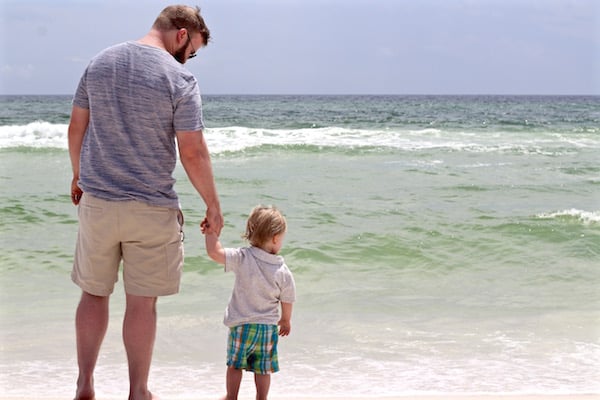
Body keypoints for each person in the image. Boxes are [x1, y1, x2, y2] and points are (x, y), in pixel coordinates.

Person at [67, 5, 223, 400]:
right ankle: (138, 391)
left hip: (99, 201)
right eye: (193, 50)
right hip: (151, 207)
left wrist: (77, 176)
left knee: (92, 294)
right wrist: (213, 206)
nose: (190, 59)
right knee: (141, 303)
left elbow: (76, 127)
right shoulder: (180, 77)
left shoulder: (99, 63)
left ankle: (85, 385)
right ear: (183, 35)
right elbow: (193, 152)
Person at [201, 205, 296, 400]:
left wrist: (210, 233)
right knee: (263, 369)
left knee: (235, 365)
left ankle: (231, 396)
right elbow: (288, 296)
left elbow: (214, 252)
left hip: (242, 326)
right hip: (267, 329)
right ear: (276, 238)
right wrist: (286, 319)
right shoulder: (282, 269)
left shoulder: (242, 257)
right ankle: (261, 398)